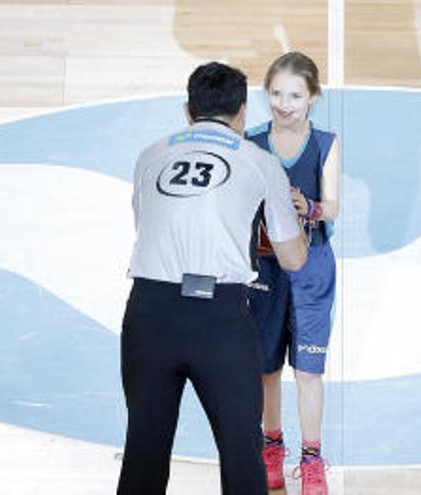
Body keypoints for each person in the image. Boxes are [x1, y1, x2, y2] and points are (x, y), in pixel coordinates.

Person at [117, 61, 308, 495]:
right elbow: (292, 258)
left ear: (188, 111)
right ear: (243, 113)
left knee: (143, 452)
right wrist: (301, 220)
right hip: (219, 320)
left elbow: (146, 229)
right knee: (242, 454)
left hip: (148, 313)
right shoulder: (260, 162)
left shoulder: (150, 155)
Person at [246, 52, 340, 495]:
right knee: (266, 368)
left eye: (295, 95)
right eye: (277, 94)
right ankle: (271, 446)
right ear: (266, 93)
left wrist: (312, 208)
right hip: (263, 266)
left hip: (312, 267)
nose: (285, 104)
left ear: (313, 97)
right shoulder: (249, 142)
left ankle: (312, 459)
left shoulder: (325, 142)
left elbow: (334, 206)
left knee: (308, 370)